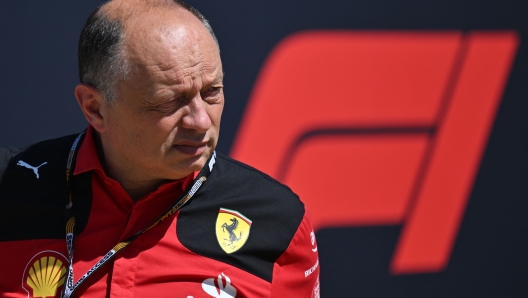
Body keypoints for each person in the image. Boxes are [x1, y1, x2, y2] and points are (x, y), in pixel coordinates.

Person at [0, 0, 320, 297]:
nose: (200, 120)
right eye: (170, 101)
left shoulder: (276, 220)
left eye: (212, 92)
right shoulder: (10, 188)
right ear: (94, 108)